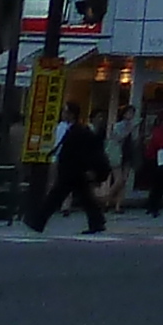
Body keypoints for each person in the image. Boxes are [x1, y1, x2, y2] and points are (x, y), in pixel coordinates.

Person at [27, 101, 113, 236]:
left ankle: (38, 222)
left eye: (65, 112)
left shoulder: (79, 131)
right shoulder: (74, 129)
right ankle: (97, 222)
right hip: (74, 171)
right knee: (84, 198)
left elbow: (85, 152)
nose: (63, 114)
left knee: (56, 196)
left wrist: (88, 168)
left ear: (71, 114)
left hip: (73, 170)